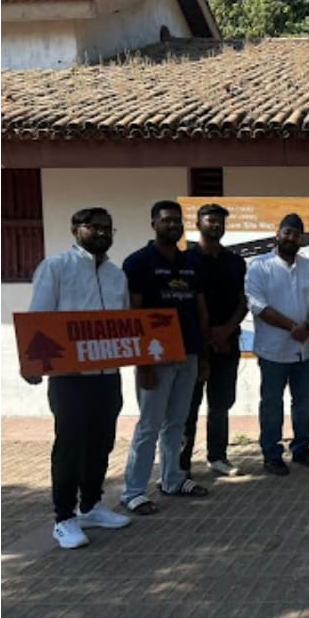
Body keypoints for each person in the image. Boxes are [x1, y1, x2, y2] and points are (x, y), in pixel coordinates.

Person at [24, 207, 133, 549]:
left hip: (107, 374)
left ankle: (91, 506)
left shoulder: (116, 275)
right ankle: (64, 519)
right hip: (69, 376)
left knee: (102, 441)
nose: (101, 233)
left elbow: (125, 321)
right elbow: (39, 317)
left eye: (107, 228)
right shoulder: (56, 267)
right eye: (93, 227)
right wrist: (33, 363)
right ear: (75, 229)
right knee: (70, 445)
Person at [120, 200, 211, 515]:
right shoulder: (138, 263)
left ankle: (172, 479)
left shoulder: (191, 262)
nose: (173, 225)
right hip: (156, 356)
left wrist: (203, 355)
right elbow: (134, 314)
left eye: (177, 220)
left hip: (189, 353)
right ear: (153, 224)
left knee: (177, 422)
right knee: (149, 425)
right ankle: (133, 491)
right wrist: (143, 362)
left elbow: (201, 310)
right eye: (166, 220)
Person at [245, 213, 309, 476]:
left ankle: (301, 449)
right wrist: (293, 327)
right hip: (274, 351)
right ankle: (271, 454)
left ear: (302, 239)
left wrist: (307, 327)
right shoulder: (259, 267)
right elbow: (258, 306)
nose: (291, 238)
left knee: (303, 403)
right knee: (272, 404)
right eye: (287, 232)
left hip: (307, 350)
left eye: (296, 234)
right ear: (278, 234)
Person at [180, 203, 248, 478]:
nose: (216, 225)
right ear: (198, 224)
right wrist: (206, 336)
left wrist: (226, 330)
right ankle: (181, 464)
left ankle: (217, 456)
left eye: (220, 221)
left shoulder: (235, 261)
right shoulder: (185, 260)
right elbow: (185, 304)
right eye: (210, 220)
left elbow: (243, 302)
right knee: (188, 406)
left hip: (227, 342)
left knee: (220, 404)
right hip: (193, 345)